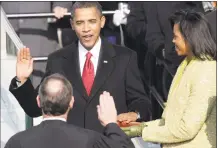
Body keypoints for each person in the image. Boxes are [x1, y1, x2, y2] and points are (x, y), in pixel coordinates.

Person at [9, 2, 151, 133]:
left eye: (92, 21)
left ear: (102, 22)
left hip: (110, 142)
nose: (86, 29)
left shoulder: (125, 58)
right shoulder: (58, 60)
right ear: (72, 24)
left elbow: (141, 101)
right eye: (80, 23)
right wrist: (22, 80)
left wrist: (135, 114)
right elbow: (36, 109)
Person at [122, 10, 216, 148]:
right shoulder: (187, 64)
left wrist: (142, 131)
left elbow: (186, 129)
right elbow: (170, 122)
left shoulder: (206, 70)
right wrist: (140, 126)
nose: (172, 41)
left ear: (189, 38)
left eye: (175, 37)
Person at [5, 74, 135, 148]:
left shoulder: (17, 142)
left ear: (38, 101)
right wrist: (111, 124)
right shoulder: (90, 140)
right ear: (71, 102)